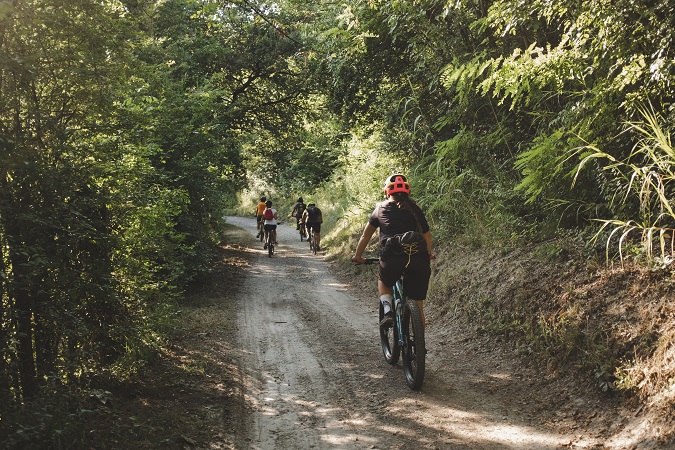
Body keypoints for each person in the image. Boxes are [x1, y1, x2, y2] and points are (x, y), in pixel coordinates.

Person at [351, 174, 433, 329]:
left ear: (387, 192)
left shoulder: (380, 208)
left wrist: (358, 256)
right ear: (407, 192)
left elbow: (366, 235)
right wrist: (428, 254)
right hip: (418, 257)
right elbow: (427, 235)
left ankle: (388, 310)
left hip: (392, 256)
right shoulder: (415, 208)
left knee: (384, 281)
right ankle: (420, 349)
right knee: (418, 305)